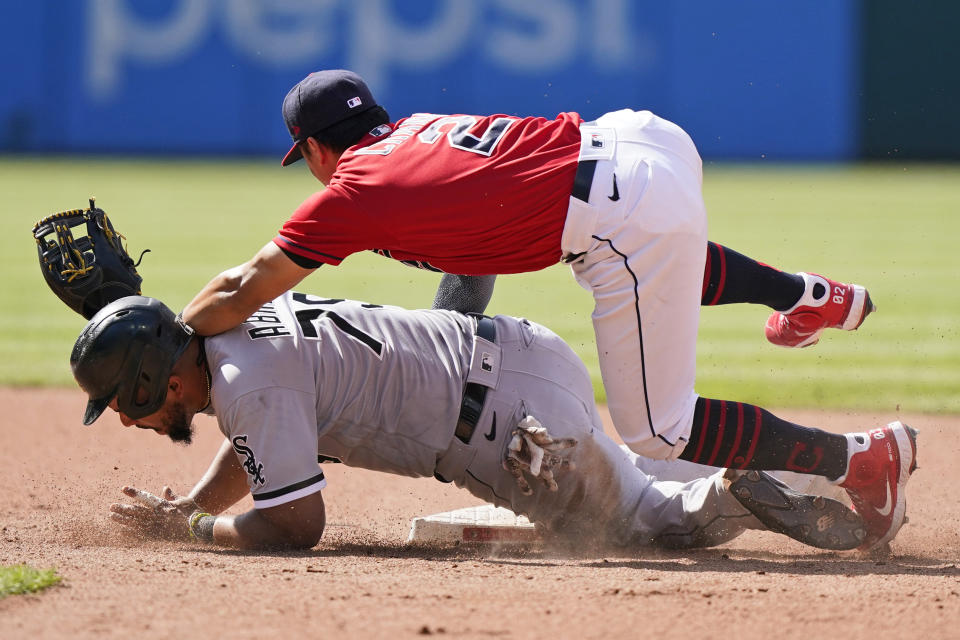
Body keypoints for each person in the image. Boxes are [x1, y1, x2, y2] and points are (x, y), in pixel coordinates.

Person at [178, 70, 913, 548]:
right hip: (643, 140)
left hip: (622, 213)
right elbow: (472, 253)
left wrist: (170, 335)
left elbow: (245, 290)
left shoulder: (353, 192)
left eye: (302, 155)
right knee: (641, 258)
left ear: (311, 148)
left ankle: (860, 461)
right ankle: (807, 296)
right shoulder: (417, 134)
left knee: (660, 429)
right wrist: (456, 336)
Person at [72, 294, 871, 552]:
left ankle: (730, 494)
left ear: (160, 379)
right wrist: (195, 504)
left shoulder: (249, 385)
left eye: (122, 402)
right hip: (527, 353)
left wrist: (196, 535)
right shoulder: (242, 335)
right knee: (625, 466)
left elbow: (295, 519)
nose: (124, 419)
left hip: (510, 438)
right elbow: (261, 448)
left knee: (639, 528)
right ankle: (841, 465)